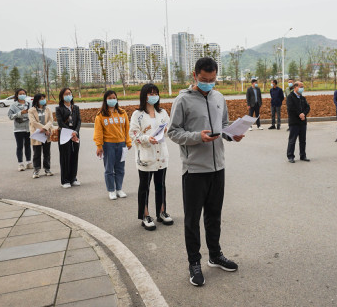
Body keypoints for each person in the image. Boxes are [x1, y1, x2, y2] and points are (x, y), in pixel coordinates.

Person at [168, 57, 244, 287]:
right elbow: (173, 132)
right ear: (195, 75)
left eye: (212, 80)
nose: (208, 83)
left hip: (217, 167)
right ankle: (194, 263)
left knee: (214, 215)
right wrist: (196, 137)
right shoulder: (182, 100)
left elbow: (224, 126)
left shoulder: (219, 97)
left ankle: (215, 255)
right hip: (194, 170)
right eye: (204, 79)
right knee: (192, 220)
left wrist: (233, 134)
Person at [130, 84, 173, 230]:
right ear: (144, 95)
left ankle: (162, 211)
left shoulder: (162, 112)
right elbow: (133, 134)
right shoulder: (138, 115)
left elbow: (169, 128)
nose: (154, 96)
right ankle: (145, 215)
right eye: (150, 93)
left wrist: (165, 130)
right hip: (146, 155)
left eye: (156, 93)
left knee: (161, 185)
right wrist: (147, 138)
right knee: (145, 187)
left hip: (161, 154)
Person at [94, 90, 132, 200]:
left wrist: (128, 142)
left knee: (120, 168)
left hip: (121, 144)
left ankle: (119, 189)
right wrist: (99, 146)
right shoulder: (100, 115)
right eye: (110, 98)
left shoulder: (122, 112)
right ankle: (111, 190)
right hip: (108, 144)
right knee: (109, 169)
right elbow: (98, 132)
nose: (112, 100)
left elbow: (127, 129)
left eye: (114, 98)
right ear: (105, 100)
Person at [55, 88, 81, 188]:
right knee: (65, 157)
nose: (68, 95)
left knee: (75, 155)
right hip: (64, 135)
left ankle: (73, 178)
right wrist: (70, 132)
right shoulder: (59, 109)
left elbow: (79, 121)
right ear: (62, 96)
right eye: (66, 94)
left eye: (70, 93)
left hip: (75, 135)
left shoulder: (76, 108)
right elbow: (60, 122)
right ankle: (65, 180)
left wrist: (75, 132)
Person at [28, 93, 54, 178]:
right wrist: (43, 129)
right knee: (37, 153)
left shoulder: (48, 109)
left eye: (44, 98)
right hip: (37, 134)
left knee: (47, 153)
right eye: (41, 99)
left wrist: (46, 129)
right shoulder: (31, 110)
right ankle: (36, 170)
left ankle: (47, 169)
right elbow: (33, 122)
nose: (43, 100)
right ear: (37, 100)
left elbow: (50, 120)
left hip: (47, 134)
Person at [8, 88, 32, 172]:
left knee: (28, 146)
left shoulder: (29, 104)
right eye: (20, 94)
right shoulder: (13, 105)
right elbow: (10, 116)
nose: (22, 95)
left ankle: (29, 162)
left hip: (28, 128)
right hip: (18, 129)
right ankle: (20, 164)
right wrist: (20, 113)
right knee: (20, 146)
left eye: (24, 93)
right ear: (17, 95)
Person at [286, 81, 310, 163]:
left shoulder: (302, 98)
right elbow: (291, 108)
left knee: (303, 140)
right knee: (292, 140)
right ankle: (290, 156)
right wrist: (299, 114)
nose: (302, 88)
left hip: (302, 122)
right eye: (300, 86)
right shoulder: (290, 97)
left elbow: (307, 107)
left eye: (302, 87)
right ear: (295, 87)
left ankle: (303, 155)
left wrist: (304, 114)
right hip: (294, 122)